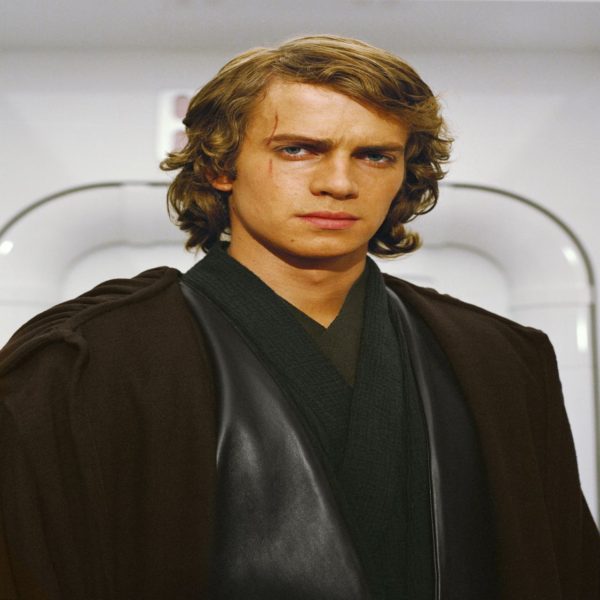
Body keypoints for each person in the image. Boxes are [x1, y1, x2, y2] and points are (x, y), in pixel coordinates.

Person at [0, 35, 598, 600]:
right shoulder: (88, 362)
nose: (339, 183)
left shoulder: (499, 359)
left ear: (402, 175)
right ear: (220, 166)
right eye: (298, 149)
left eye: (374, 156)